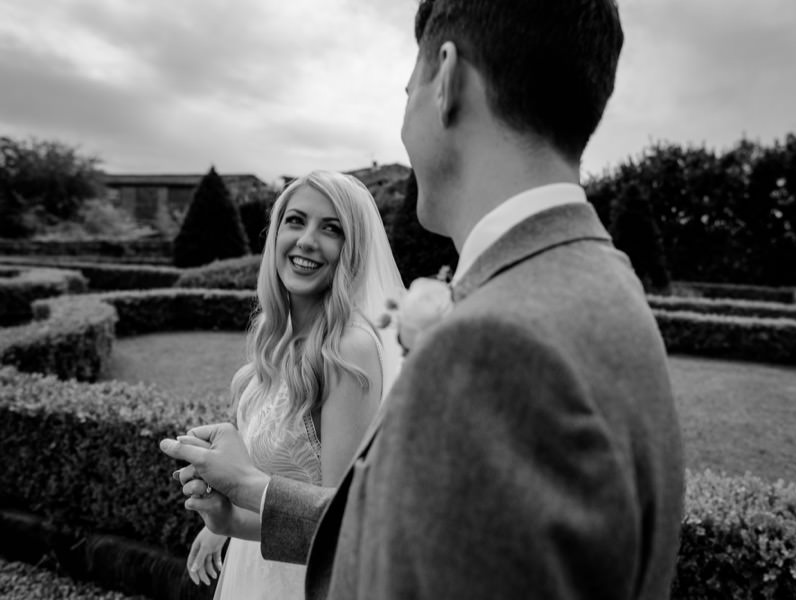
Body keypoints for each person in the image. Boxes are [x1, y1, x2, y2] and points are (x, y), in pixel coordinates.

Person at [162, 1, 686, 599]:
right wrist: (250, 509)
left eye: (407, 90)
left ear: (447, 79)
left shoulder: (494, 339)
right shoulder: (601, 282)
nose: (404, 123)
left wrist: (252, 485)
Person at [179, 170, 405, 598]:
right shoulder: (273, 338)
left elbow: (336, 528)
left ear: (352, 250)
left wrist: (237, 504)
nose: (306, 240)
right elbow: (264, 491)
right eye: (296, 220)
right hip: (256, 568)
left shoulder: (347, 351)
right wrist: (222, 520)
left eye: (331, 228)